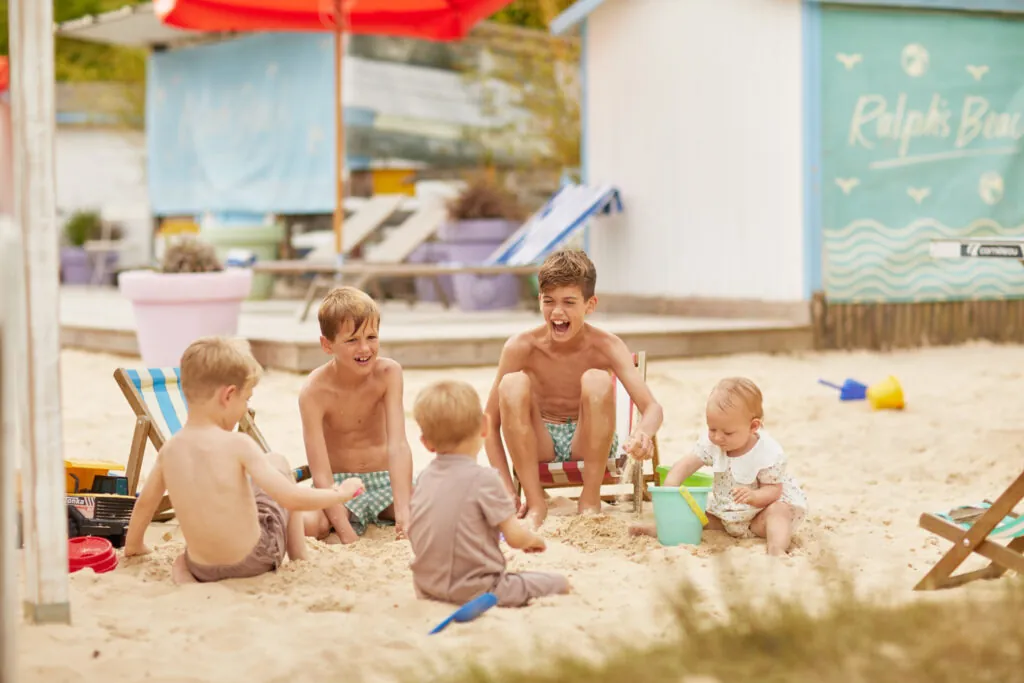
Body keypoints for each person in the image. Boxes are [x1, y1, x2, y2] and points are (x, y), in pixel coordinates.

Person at [123, 336, 365, 583]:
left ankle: (186, 581)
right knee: (278, 462)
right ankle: (299, 554)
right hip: (255, 559)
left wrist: (134, 546)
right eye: (246, 399)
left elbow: (144, 505)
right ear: (228, 396)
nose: (245, 407)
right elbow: (290, 498)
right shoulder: (239, 444)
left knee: (181, 560)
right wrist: (340, 494)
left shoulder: (169, 451)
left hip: (202, 567)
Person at [482, 248, 664, 528]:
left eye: (569, 302)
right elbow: (489, 423)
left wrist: (643, 434)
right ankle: (536, 502)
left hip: (588, 437)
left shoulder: (607, 345)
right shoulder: (521, 346)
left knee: (596, 379)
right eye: (549, 301)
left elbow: (652, 407)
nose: (557, 312)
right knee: (512, 383)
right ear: (539, 300)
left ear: (589, 305)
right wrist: (506, 487)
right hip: (538, 439)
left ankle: (590, 498)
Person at [407, 380, 570, 607]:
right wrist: (532, 539)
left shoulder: (424, 479)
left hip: (426, 587)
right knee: (556, 582)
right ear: (484, 426)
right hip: (479, 589)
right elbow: (514, 538)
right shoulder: (486, 479)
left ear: (426, 443)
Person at [631, 377, 807, 556]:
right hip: (724, 517)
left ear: (753, 426)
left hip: (758, 517)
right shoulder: (713, 443)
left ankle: (776, 548)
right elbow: (685, 465)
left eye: (727, 432)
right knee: (695, 514)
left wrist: (754, 496)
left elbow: (773, 491)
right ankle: (664, 531)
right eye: (712, 429)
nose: (717, 437)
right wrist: (671, 489)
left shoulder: (766, 452)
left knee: (779, 512)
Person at [298, 286, 414, 544]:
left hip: (385, 481)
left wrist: (404, 511)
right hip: (338, 487)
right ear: (327, 345)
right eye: (352, 340)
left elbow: (398, 445)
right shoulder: (314, 391)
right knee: (311, 524)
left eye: (371, 337)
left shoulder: (388, 374)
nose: (365, 348)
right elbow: (320, 470)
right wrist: (344, 530)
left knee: (430, 509)